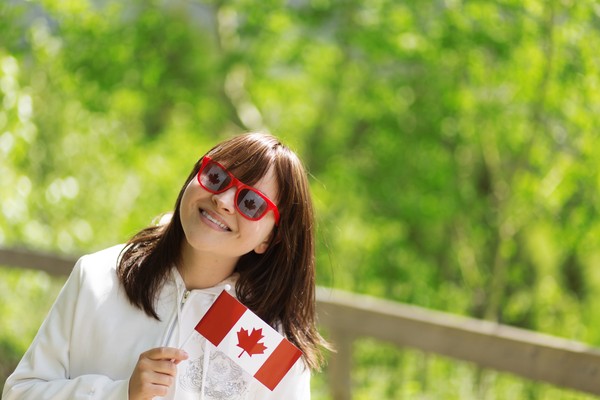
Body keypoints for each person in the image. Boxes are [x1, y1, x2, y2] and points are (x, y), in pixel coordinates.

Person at [3, 133, 328, 399]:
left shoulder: (272, 348)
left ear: (270, 239)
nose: (224, 200)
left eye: (251, 202)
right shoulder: (98, 276)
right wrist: (120, 394)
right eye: (216, 177)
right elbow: (20, 393)